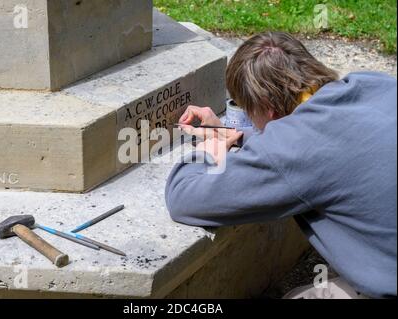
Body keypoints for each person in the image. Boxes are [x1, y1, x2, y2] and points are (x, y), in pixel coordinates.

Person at [165, 32, 397, 299]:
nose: (251, 121)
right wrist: (238, 136)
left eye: (248, 110)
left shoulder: (296, 148)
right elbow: (329, 140)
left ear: (267, 108)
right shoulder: (373, 84)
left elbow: (184, 199)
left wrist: (206, 152)